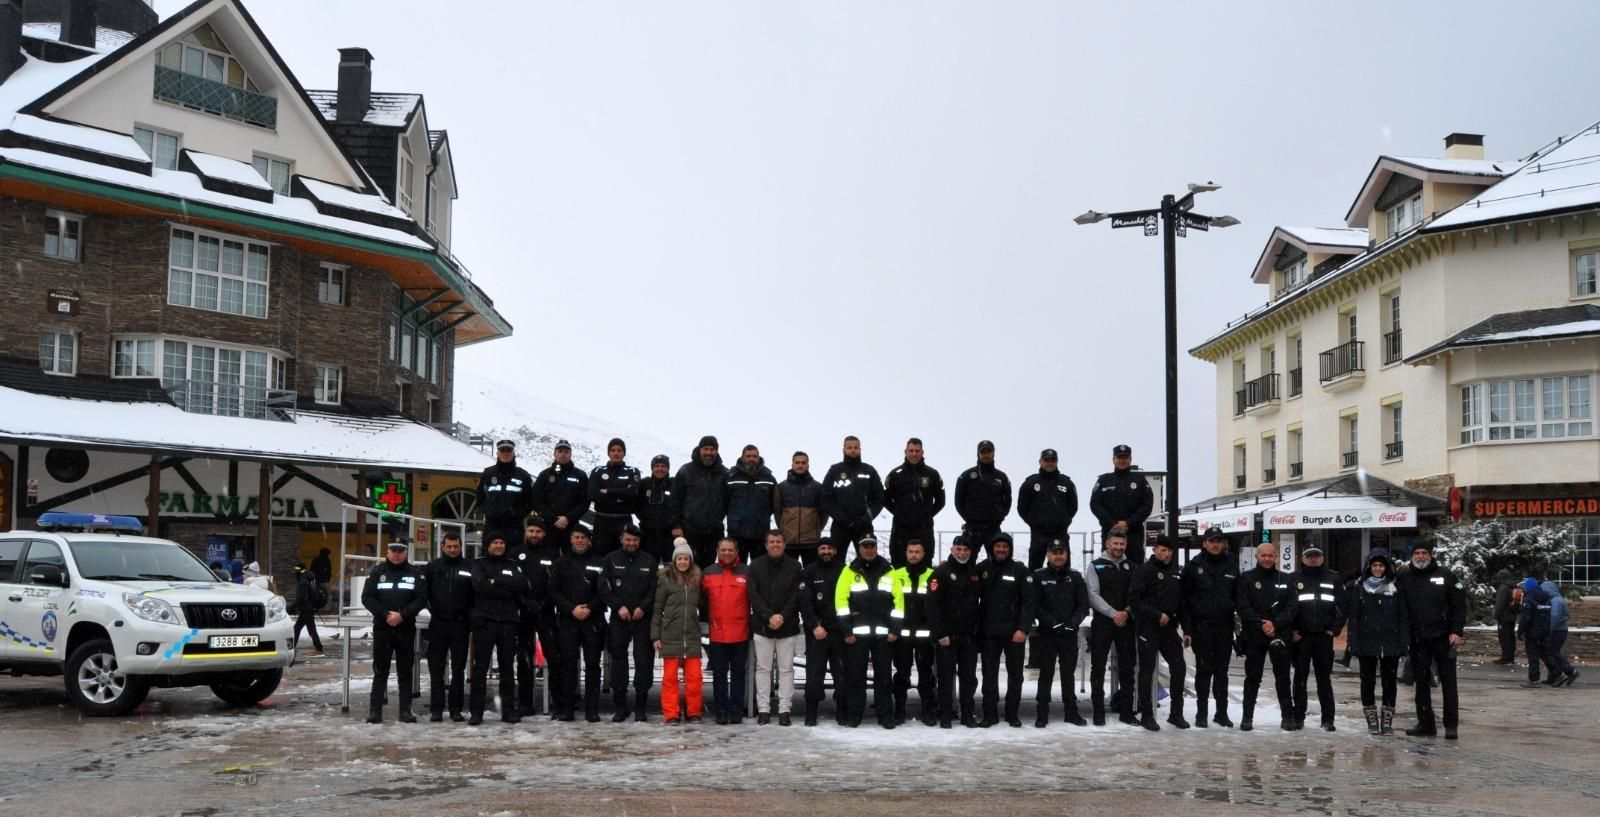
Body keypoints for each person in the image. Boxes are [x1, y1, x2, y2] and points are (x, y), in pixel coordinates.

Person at [1396, 542, 1465, 739]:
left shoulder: (1446, 575)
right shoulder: (1404, 576)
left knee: (1449, 683)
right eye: (1416, 553)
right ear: (1412, 556)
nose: (1420, 556)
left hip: (1444, 639)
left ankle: (1451, 725)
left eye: (1424, 553)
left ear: (1431, 555)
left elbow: (1459, 605)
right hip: (1418, 640)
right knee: (1421, 684)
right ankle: (1426, 724)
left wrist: (1457, 631)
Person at [835, 534, 901, 728]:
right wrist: (847, 631)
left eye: (872, 545)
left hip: (884, 635)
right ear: (859, 548)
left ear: (876, 548)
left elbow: (899, 604)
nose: (869, 549)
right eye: (865, 546)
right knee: (855, 676)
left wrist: (894, 630)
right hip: (857, 636)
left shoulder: (889, 571)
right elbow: (841, 603)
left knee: (884, 677)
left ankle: (885, 715)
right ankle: (855, 714)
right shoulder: (849, 571)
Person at [361, 541, 428, 724]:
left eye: (400, 551)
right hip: (383, 627)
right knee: (380, 670)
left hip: (405, 627)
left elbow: (422, 598)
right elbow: (366, 597)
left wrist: (402, 615)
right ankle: (375, 712)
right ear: (388, 552)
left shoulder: (415, 573)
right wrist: (385, 614)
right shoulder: (377, 572)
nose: (397, 554)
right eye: (393, 551)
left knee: (405, 670)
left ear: (406, 553)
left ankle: (405, 711)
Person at [1180, 527, 1239, 728]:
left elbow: (1237, 597)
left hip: (1224, 626)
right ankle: (1202, 713)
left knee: (1222, 672)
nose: (1215, 544)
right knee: (1204, 671)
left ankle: (1221, 713)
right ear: (1204, 543)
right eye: (1211, 541)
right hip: (1201, 626)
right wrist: (1187, 629)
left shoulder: (1231, 564)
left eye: (1218, 541)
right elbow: (1185, 601)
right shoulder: (1193, 566)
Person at [468, 533, 529, 725]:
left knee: (507, 668)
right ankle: (476, 712)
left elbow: (521, 585)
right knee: (480, 669)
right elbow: (480, 586)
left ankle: (508, 710)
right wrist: (506, 590)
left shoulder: (512, 564)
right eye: (495, 542)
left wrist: (497, 581)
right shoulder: (478, 564)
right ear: (488, 545)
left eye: (502, 542)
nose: (499, 545)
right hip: (484, 621)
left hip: (508, 621)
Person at [1236, 541, 1297, 732]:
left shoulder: (1287, 579)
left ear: (1276, 557)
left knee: (1283, 677)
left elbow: (1292, 606)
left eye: (1271, 555)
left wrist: (1275, 624)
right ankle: (1247, 717)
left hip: (1280, 634)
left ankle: (1287, 717)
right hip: (1255, 635)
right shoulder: (1246, 579)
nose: (1267, 559)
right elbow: (1243, 606)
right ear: (1257, 556)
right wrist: (1261, 623)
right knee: (1252, 677)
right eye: (1264, 555)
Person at [600, 525, 658, 721]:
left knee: (643, 661)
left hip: (643, 618)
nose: (631, 543)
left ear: (639, 541)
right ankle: (620, 705)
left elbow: (654, 588)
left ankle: (640, 706)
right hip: (620, 617)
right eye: (628, 540)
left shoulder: (649, 560)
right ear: (621, 539)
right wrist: (618, 606)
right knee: (618, 661)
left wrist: (643, 607)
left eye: (634, 540)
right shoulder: (610, 559)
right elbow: (604, 587)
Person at [1129, 534, 1187, 731]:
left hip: (1169, 628)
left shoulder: (1176, 572)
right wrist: (1155, 614)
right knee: (1147, 670)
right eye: (1163, 550)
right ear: (1154, 550)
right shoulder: (1144, 571)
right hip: (1148, 627)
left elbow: (1182, 604)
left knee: (1179, 667)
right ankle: (1147, 714)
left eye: (1170, 551)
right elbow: (1134, 599)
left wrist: (1186, 629)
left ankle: (1176, 714)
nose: (1167, 554)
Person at [1348, 548, 1408, 735]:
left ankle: (1387, 721)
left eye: (1381, 565)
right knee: (1367, 682)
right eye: (1374, 565)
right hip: (1367, 642)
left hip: (1390, 642)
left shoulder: (1396, 587)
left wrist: (1403, 642)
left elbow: (1403, 616)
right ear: (1369, 567)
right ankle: (1372, 720)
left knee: (1389, 683)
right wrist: (1354, 643)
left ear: (1386, 567)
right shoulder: (1360, 587)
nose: (1378, 568)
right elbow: (1354, 618)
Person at [747, 529, 804, 725]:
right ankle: (763, 709)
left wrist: (781, 616)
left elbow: (796, 596)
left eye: (778, 541)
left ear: (784, 544)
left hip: (787, 626)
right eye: (771, 542)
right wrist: (769, 616)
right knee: (762, 669)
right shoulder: (755, 565)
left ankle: (784, 710)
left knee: (786, 669)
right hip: (762, 625)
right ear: (766, 544)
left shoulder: (795, 566)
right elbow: (753, 595)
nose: (775, 545)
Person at [977, 532, 1034, 728]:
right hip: (989, 633)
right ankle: (989, 714)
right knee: (989, 676)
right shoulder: (982, 569)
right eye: (998, 547)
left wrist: (1023, 629)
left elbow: (1029, 602)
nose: (1001, 550)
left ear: (1009, 549)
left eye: (1005, 547)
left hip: (1013, 634)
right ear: (992, 548)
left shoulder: (1019, 570)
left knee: (1015, 676)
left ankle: (1012, 714)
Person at [550, 526, 606, 722]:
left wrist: (589, 608)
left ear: (589, 540)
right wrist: (572, 609)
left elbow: (603, 591)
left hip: (593, 619)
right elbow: (554, 591)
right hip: (568, 619)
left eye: (583, 537)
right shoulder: (561, 563)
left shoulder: (599, 562)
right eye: (576, 537)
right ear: (571, 540)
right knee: (568, 664)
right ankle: (567, 708)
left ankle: (592, 709)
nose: (580, 541)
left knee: (592, 664)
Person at [926, 535, 983, 728]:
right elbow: (932, 606)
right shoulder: (940, 573)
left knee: (968, 679)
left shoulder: (975, 573)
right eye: (958, 549)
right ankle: (945, 715)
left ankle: (967, 714)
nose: (962, 553)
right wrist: (940, 634)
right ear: (952, 550)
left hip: (968, 636)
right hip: (946, 637)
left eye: (966, 550)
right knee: (945, 678)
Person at [1290, 545, 1347, 731]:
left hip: (1324, 637)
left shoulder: (1333, 578)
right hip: (1301, 638)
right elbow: (1286, 607)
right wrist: (1292, 630)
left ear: (1322, 558)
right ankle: (1298, 717)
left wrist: (1335, 629)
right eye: (1309, 556)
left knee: (1324, 679)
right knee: (1300, 678)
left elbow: (1343, 606)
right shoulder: (1294, 578)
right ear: (1302, 558)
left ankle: (1328, 719)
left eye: (1316, 556)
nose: (1313, 559)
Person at [1032, 539, 1088, 727]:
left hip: (1069, 634)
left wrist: (1073, 623)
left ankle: (1071, 712)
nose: (1058, 556)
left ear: (1067, 555)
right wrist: (1051, 623)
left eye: (1061, 552)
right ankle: (1042, 713)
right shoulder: (1039, 576)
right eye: (1054, 552)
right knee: (1046, 673)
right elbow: (1035, 605)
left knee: (1068, 673)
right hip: (1048, 633)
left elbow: (1083, 605)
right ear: (1048, 555)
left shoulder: (1075, 576)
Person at [1084, 530, 1137, 726]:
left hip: (1126, 622)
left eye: (1122, 544)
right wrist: (1114, 613)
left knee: (1127, 668)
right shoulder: (1095, 565)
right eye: (1115, 544)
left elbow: (1136, 594)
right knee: (1098, 667)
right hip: (1103, 623)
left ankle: (1126, 712)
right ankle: (1098, 711)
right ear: (1107, 544)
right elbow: (1093, 595)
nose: (1118, 548)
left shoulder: (1131, 566)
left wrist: (1127, 612)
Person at [652, 539, 704, 725]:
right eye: (679, 558)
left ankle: (694, 711)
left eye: (686, 559)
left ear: (690, 561)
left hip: (691, 636)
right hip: (670, 636)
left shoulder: (697, 580)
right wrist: (656, 636)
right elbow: (657, 610)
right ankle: (672, 713)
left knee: (694, 679)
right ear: (674, 561)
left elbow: (704, 605)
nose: (683, 562)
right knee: (670, 679)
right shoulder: (665, 580)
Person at [422, 532, 473, 722]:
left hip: (460, 624)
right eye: (449, 546)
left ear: (461, 547)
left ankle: (455, 709)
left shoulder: (469, 567)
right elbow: (423, 592)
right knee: (436, 668)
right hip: (438, 623)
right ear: (442, 546)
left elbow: (475, 593)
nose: (452, 550)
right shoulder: (433, 567)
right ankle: (436, 708)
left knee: (459, 669)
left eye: (456, 546)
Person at [798, 537, 849, 726]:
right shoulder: (809, 572)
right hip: (817, 632)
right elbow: (804, 602)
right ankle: (811, 712)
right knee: (814, 674)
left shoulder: (845, 571)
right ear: (818, 550)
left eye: (829, 548)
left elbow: (851, 601)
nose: (826, 551)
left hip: (839, 632)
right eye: (823, 548)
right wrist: (814, 626)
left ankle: (842, 711)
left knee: (842, 673)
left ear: (835, 551)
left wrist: (845, 628)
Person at [888, 539, 939, 725]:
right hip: (902, 635)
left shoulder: (934, 576)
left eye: (918, 552)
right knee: (901, 674)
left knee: (926, 675)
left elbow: (938, 605)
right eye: (911, 551)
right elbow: (889, 603)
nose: (914, 555)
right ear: (906, 553)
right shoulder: (895, 575)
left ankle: (928, 711)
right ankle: (899, 710)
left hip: (925, 637)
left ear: (924, 554)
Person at [519, 518, 566, 718]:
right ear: (526, 531)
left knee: (553, 659)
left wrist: (545, 602)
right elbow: (513, 582)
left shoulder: (553, 554)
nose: (534, 535)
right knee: (524, 659)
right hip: (523, 612)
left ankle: (557, 704)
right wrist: (526, 602)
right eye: (531, 530)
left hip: (546, 611)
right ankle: (525, 704)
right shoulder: (516, 554)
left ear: (544, 533)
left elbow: (556, 584)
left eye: (538, 531)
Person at [702, 537, 751, 724]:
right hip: (717, 632)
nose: (727, 553)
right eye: (723, 550)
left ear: (737, 551)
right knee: (719, 673)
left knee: (739, 673)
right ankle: (721, 709)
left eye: (730, 550)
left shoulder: (747, 571)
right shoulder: (708, 572)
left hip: (740, 632)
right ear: (717, 551)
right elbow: (702, 600)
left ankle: (736, 708)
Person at [883, 438, 946, 567]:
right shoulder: (895, 474)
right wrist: (900, 514)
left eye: (917, 451)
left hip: (924, 530)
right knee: (898, 566)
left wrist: (926, 515)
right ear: (905, 452)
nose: (914, 454)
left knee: (925, 566)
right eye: (911, 450)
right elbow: (885, 499)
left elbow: (941, 501)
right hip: (901, 530)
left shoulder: (932, 474)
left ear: (922, 452)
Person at [1089, 444, 1154, 564]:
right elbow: (1095, 504)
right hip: (1110, 531)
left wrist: (1128, 522)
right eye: (1119, 457)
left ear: (1130, 460)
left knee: (1135, 568)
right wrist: (1112, 523)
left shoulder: (1139, 480)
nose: (1122, 460)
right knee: (1108, 568)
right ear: (1113, 459)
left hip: (1133, 533)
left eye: (1125, 458)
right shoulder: (1103, 480)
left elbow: (1147, 505)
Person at [821, 436, 886, 551]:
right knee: (836, 563)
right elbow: (825, 498)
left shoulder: (869, 471)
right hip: (840, 526)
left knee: (866, 561)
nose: (852, 450)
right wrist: (841, 518)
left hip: (863, 526)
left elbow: (879, 499)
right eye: (849, 447)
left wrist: (865, 519)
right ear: (843, 449)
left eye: (856, 447)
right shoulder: (835, 471)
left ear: (860, 450)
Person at [672, 436, 729, 566]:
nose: (709, 452)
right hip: (690, 530)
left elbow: (728, 500)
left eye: (712, 449)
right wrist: (676, 525)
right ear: (699, 449)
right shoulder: (686, 471)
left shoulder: (724, 473)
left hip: (714, 531)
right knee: (691, 566)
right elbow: (675, 499)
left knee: (711, 568)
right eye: (705, 449)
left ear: (717, 451)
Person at [1017, 448, 1078, 571]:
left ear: (1057, 461)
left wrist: (1063, 520)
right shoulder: (1030, 483)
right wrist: (1034, 522)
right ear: (1040, 461)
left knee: (1063, 570)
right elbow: (1022, 508)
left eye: (1053, 460)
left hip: (1060, 533)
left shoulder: (1067, 483)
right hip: (1038, 534)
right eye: (1046, 460)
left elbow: (1073, 507)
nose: (1050, 463)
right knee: (1035, 569)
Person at [955, 440, 1012, 560]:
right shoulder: (966, 476)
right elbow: (958, 502)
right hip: (972, 529)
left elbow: (1008, 502)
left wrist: (999, 517)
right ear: (978, 454)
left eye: (989, 451)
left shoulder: (1001, 477)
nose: (986, 454)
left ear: (993, 453)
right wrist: (969, 518)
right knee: (966, 562)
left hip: (993, 528)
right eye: (983, 452)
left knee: (997, 562)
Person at [724, 445, 780, 562]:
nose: (751, 459)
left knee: (760, 570)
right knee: (736, 569)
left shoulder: (769, 478)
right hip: (737, 533)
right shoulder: (730, 477)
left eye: (754, 456)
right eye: (748, 456)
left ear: (759, 458)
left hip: (760, 533)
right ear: (742, 457)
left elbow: (774, 505)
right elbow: (724, 502)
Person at [588, 437, 642, 557]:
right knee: (599, 555)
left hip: (623, 520)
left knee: (625, 554)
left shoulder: (633, 471)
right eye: (613, 450)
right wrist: (620, 496)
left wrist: (608, 491)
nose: (616, 453)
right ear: (608, 453)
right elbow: (592, 494)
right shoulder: (598, 471)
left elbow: (632, 493)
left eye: (619, 450)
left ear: (624, 453)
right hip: (602, 520)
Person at [532, 439, 590, 549]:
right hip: (548, 525)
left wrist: (568, 518)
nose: (563, 454)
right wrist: (552, 518)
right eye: (560, 451)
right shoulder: (545, 475)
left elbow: (585, 502)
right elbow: (537, 500)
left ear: (570, 454)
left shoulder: (580, 475)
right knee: (548, 557)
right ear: (554, 454)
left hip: (571, 525)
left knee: (570, 559)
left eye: (566, 452)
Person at [476, 439, 535, 545]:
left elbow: (530, 500)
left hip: (514, 526)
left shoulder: (523, 475)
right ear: (497, 453)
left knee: (514, 558)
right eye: (502, 450)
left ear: (513, 453)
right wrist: (489, 511)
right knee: (490, 558)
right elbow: (480, 498)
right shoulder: (488, 474)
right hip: (492, 525)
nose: (505, 453)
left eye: (508, 450)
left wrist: (519, 514)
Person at [778, 451, 826, 564]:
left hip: (811, 542)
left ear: (808, 465)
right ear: (792, 464)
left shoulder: (818, 487)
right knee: (788, 578)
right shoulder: (781, 487)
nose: (800, 465)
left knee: (812, 577)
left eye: (803, 463)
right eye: (797, 462)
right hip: (788, 542)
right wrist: (784, 529)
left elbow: (824, 513)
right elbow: (777, 512)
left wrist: (816, 529)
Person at [1540, 578, 1579, 686]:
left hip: (1557, 631)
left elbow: (1555, 617)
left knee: (1552, 652)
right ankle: (1553, 676)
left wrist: (1548, 630)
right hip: (1559, 630)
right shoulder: (1556, 599)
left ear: (1548, 590)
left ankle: (1570, 671)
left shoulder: (1556, 601)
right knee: (1551, 653)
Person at [637, 455, 676, 561]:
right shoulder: (645, 484)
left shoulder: (674, 484)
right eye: (657, 466)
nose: (660, 469)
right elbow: (637, 505)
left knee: (670, 568)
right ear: (652, 468)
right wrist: (645, 518)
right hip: (648, 535)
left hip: (669, 536)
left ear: (668, 468)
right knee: (648, 567)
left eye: (663, 466)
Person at [291, 564, 325, 655]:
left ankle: (318, 648)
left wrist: (291, 607)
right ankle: (318, 648)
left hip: (306, 609)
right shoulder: (310, 579)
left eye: (296, 570)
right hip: (309, 608)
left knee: (300, 628)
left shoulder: (303, 582)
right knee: (307, 629)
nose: (294, 572)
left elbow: (300, 598)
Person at [1492, 575, 1522, 665]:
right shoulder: (1513, 587)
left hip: (1504, 618)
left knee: (1504, 638)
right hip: (1512, 617)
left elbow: (1500, 604)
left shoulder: (1503, 588)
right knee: (1510, 637)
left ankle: (1506, 658)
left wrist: (1496, 616)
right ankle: (1511, 657)